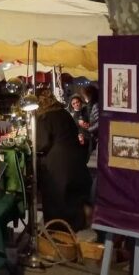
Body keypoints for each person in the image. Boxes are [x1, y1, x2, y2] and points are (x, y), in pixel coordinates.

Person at [35, 93, 91, 231]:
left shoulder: (45, 117)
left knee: (57, 197)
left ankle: (57, 229)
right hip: (75, 159)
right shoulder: (64, 113)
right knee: (71, 197)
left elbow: (42, 143)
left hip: (58, 163)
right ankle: (75, 225)